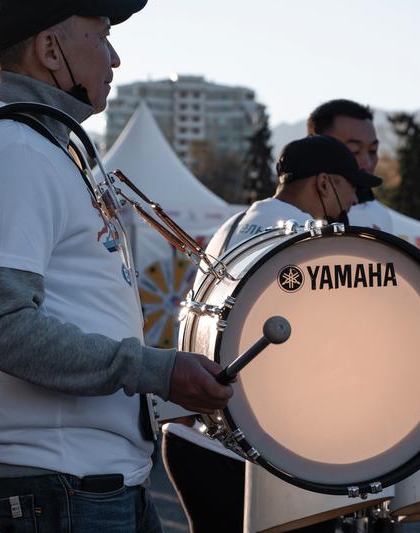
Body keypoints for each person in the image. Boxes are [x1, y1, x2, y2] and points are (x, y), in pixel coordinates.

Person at [0, 1, 232, 531]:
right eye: (102, 37)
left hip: (89, 482)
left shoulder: (41, 146)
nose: (115, 58)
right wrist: (157, 372)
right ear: (51, 49)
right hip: (66, 487)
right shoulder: (14, 153)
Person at [162, 135, 382, 532]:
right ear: (324, 183)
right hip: (255, 463)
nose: (354, 202)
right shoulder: (300, 241)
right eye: (353, 189)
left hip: (199, 442)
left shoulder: (234, 227)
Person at [307, 99, 393, 232]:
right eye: (354, 151)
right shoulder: (289, 215)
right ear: (316, 148)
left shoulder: (380, 215)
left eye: (373, 150)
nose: (367, 163)